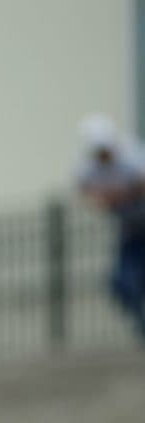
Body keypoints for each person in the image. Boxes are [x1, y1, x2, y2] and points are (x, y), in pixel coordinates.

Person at [76, 113, 145, 340]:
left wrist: (118, 195)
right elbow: (84, 190)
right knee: (120, 283)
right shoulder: (89, 167)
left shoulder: (132, 156)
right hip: (130, 230)